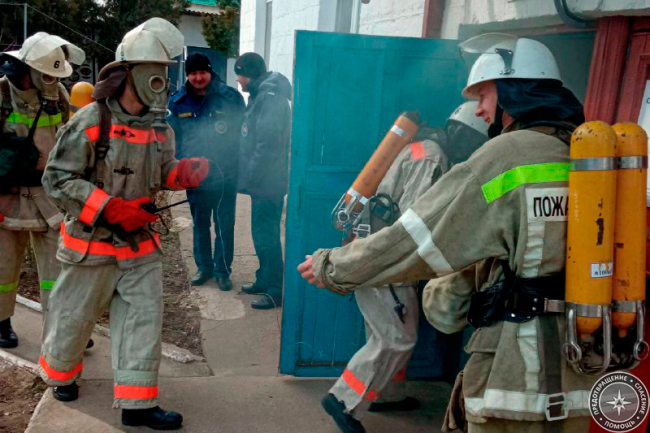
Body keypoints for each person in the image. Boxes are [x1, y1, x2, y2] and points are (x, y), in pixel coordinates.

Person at [299, 34, 598, 432]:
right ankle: (361, 397)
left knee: (394, 337)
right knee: (394, 336)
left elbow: (418, 234)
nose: (481, 109)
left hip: (511, 371)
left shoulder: (505, 156)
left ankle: (348, 400)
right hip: (582, 364)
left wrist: (332, 267)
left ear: (514, 91)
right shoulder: (583, 153)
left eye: (484, 94)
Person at [39, 18, 209, 430]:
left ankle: (138, 404)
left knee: (143, 320)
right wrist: (111, 209)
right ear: (131, 72)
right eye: (157, 72)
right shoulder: (90, 120)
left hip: (139, 246)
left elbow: (162, 171)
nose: (162, 82)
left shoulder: (159, 126)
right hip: (91, 246)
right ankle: (61, 376)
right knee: (73, 317)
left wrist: (182, 173)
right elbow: (57, 179)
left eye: (166, 73)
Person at [322, 102, 489, 433]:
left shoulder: (420, 146)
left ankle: (384, 395)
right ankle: (343, 400)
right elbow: (416, 218)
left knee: (384, 332)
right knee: (397, 338)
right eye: (475, 142)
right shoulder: (432, 156)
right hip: (385, 258)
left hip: (370, 247)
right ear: (464, 134)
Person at [0, 32, 84, 348]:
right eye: (48, 74)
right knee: (4, 267)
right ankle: (1, 322)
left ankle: (59, 328)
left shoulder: (58, 94)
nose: (53, 80)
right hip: (7, 197)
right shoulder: (2, 93)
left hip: (49, 196)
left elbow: (68, 136)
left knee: (57, 270)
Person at [168, 53, 245, 290]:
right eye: (193, 73)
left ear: (210, 72)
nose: (198, 77)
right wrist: (179, 168)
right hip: (194, 177)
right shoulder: (177, 102)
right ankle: (204, 268)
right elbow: (171, 139)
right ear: (187, 75)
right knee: (200, 224)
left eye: (202, 72)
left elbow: (243, 136)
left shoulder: (230, 98)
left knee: (224, 225)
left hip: (225, 175)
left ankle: (222, 271)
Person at [235, 52, 292, 310]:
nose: (238, 80)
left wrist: (251, 175)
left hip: (268, 182)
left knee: (267, 236)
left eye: (239, 74)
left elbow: (267, 145)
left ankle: (275, 291)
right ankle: (264, 279)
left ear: (249, 74)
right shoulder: (261, 95)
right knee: (261, 234)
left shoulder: (269, 98)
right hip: (264, 181)